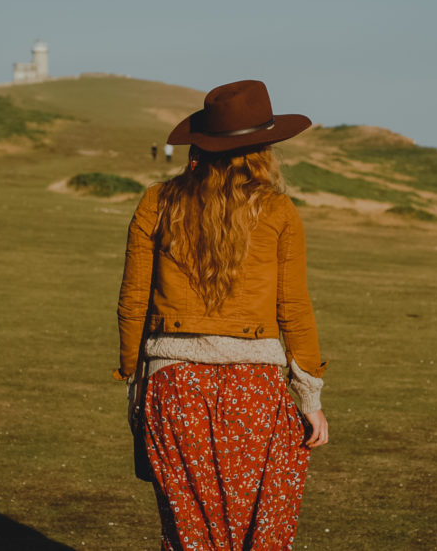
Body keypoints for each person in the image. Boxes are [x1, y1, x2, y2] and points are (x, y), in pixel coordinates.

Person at [116, 79, 328, 550]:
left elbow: (133, 301)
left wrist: (135, 384)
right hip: (254, 389)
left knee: (192, 532)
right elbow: (293, 310)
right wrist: (309, 397)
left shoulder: (157, 201)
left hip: (174, 386)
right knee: (261, 531)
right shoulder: (278, 210)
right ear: (264, 148)